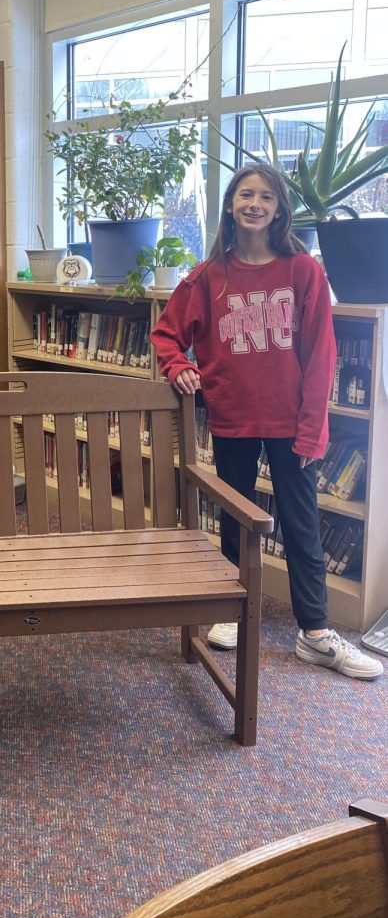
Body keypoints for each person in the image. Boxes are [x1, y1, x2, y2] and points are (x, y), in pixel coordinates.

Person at [151, 162, 382, 680]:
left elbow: (320, 356)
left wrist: (311, 428)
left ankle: (316, 632)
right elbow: (167, 334)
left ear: (279, 210)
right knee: (235, 516)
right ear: (231, 205)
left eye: (266, 197)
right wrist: (179, 366)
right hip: (231, 418)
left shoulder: (303, 272)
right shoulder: (208, 276)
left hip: (289, 424)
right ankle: (233, 608)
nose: (254, 204)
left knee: (300, 525)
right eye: (245, 195)